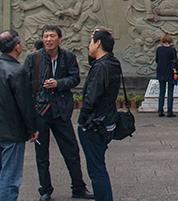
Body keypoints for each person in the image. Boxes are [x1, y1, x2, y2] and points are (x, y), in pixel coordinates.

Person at [23, 25, 92, 201]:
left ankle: (78, 187)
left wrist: (58, 83)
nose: (49, 40)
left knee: (72, 151)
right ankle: (45, 190)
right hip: (41, 111)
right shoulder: (34, 58)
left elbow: (75, 78)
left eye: (52, 36)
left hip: (61, 111)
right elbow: (25, 84)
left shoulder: (68, 57)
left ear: (59, 38)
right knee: (42, 154)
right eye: (46, 36)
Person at [0, 30, 38, 201]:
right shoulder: (17, 71)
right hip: (12, 129)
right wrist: (32, 127)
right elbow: (25, 103)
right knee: (10, 175)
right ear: (17, 46)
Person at [78, 29, 122, 201]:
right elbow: (93, 59)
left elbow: (91, 98)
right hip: (109, 120)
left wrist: (82, 121)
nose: (89, 46)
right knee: (99, 166)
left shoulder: (100, 68)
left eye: (91, 42)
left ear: (98, 44)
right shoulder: (112, 63)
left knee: (96, 170)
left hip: (95, 125)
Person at [155, 34, 178, 118]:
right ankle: (169, 111)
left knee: (161, 91)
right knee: (170, 92)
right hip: (170, 72)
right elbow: (175, 60)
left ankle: (160, 110)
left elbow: (157, 60)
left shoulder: (159, 49)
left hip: (161, 72)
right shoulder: (172, 50)